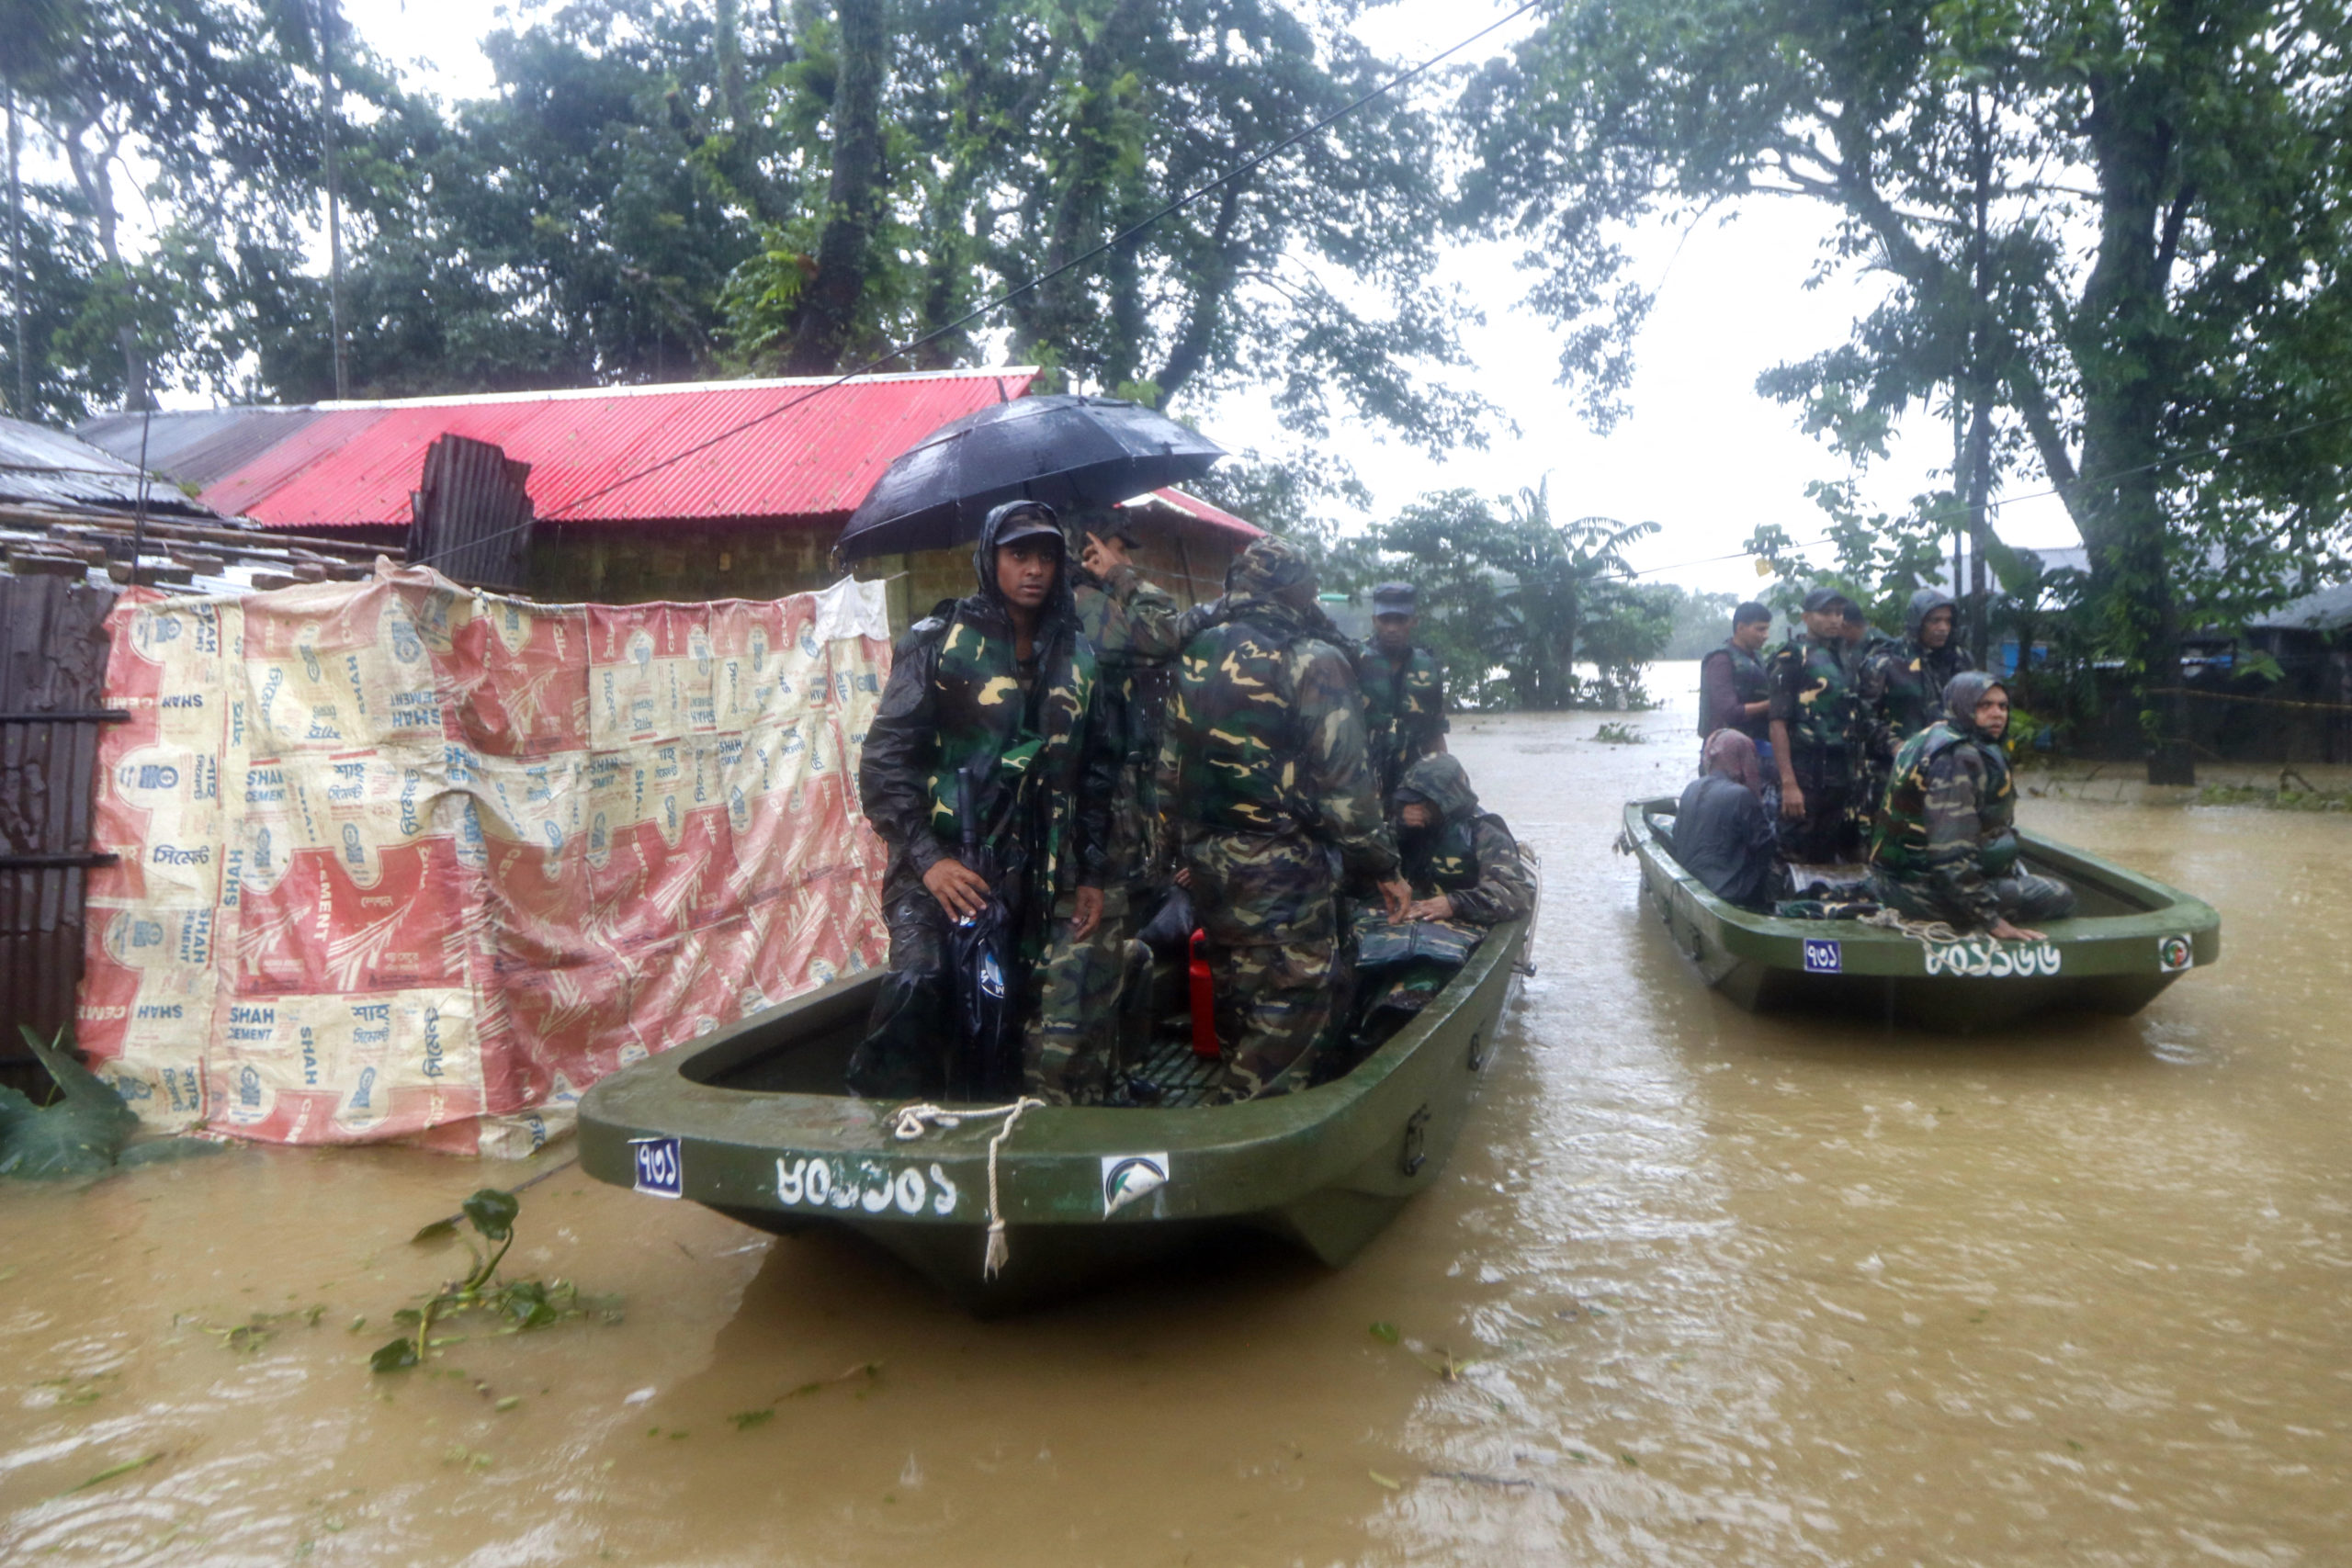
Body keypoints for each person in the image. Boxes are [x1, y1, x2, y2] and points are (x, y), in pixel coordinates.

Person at [845, 501, 1114, 1100]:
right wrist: (929, 860)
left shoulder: (1080, 655)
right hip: (940, 864)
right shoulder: (937, 641)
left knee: (1005, 1014)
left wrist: (1092, 870)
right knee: (919, 981)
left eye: (1047, 554)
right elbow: (885, 762)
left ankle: (992, 1136)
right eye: (1019, 553)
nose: (1035, 569)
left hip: (1032, 875)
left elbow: (1096, 769)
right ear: (989, 558)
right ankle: (885, 1126)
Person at [1156, 536, 1410, 1101]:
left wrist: (1176, 850)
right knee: (1289, 1012)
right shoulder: (1313, 660)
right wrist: (1385, 868)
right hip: (1284, 875)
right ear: (1296, 589)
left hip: (1209, 866)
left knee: (1236, 992)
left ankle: (1234, 1096)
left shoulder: (1197, 651)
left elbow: (1169, 771)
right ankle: (1251, 1134)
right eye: (1311, 586)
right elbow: (1348, 792)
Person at [1019, 517, 1185, 1102]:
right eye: (1110, 550)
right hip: (1083, 835)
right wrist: (1124, 579)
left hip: (1099, 830)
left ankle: (1097, 1089)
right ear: (1085, 555)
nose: (1115, 560)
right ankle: (1057, 1109)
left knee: (1106, 964)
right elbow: (1168, 630)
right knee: (1074, 983)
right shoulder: (1090, 612)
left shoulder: (1069, 617)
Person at [1869, 671, 2075, 939]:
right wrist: (1991, 920)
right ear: (1963, 705)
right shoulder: (1957, 757)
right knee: (2061, 895)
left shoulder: (1932, 734)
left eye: (2002, 706)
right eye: (1984, 705)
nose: (1997, 714)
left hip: (1898, 878)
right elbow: (1949, 856)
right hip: (1919, 890)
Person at [1768, 587, 1866, 863]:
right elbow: (1777, 723)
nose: (1834, 619)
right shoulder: (1792, 658)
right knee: (1794, 855)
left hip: (1842, 776)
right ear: (1807, 617)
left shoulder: (1846, 657)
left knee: (1830, 856)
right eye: (1826, 613)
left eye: (1839, 613)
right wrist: (1789, 784)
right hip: (1805, 774)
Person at [1858, 588, 1974, 773]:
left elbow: (1974, 708)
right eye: (1935, 620)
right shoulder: (1886, 662)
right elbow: (1863, 716)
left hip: (1951, 767)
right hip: (1898, 769)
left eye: (1948, 621)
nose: (1943, 628)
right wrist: (1897, 747)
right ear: (1917, 622)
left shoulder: (1960, 660)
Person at [1671, 729, 1782, 911]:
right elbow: (1766, 847)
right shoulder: (1741, 796)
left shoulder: (1691, 788)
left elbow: (1677, 837)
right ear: (1742, 758)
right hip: (1730, 894)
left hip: (1692, 885)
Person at [1359, 581, 1449, 802]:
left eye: (1400, 620)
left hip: (1412, 784)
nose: (1392, 628)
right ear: (1374, 621)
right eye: (1385, 619)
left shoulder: (1427, 668)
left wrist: (1445, 784)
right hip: (1363, 782)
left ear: (1414, 621)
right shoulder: (1354, 661)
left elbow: (1434, 735)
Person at [1699, 601, 1773, 747]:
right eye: (1760, 629)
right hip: (1725, 748)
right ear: (1740, 628)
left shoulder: (1757, 658)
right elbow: (1730, 712)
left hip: (1756, 742)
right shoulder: (1721, 660)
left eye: (1767, 629)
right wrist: (1774, 704)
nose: (1766, 635)